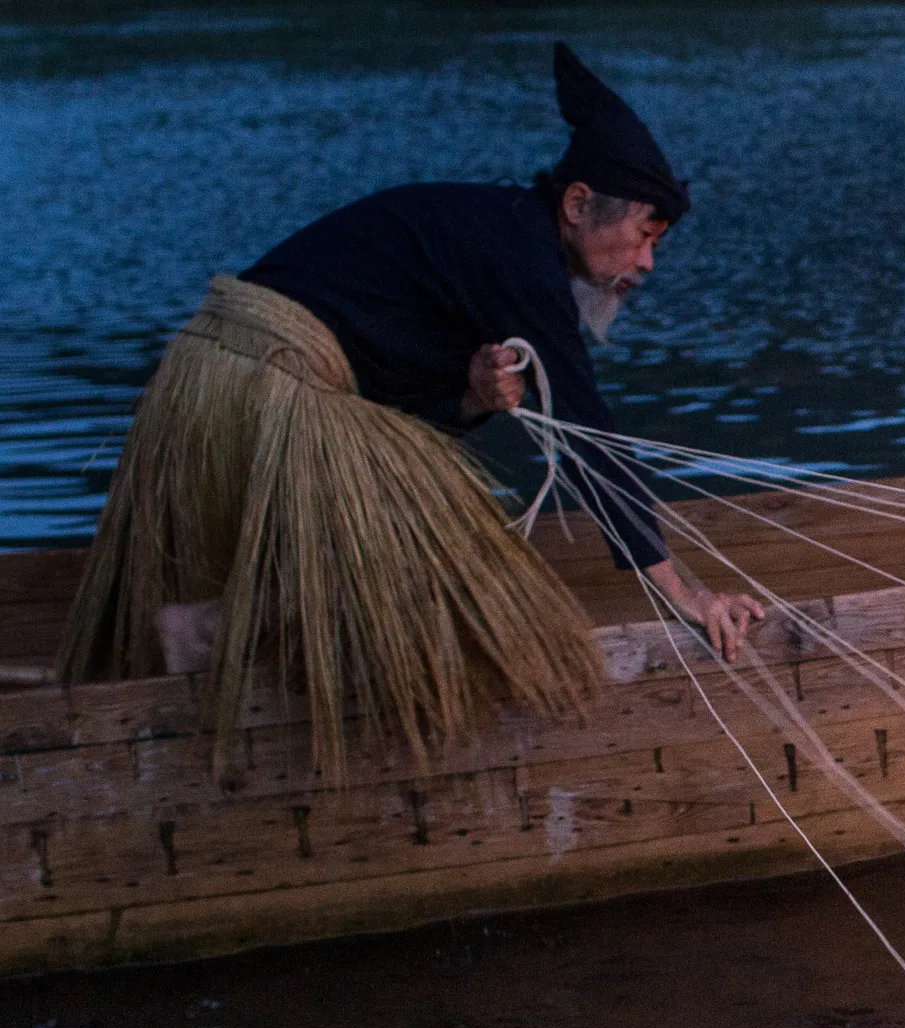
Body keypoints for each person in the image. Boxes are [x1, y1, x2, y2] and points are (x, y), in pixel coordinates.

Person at [55, 42, 763, 764]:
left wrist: (468, 397)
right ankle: (206, 631)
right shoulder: (520, 253)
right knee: (450, 558)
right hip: (260, 377)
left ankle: (220, 635)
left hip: (227, 375)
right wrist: (687, 594)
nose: (646, 264)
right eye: (645, 237)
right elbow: (584, 433)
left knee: (425, 541)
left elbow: (390, 404)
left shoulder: (498, 236)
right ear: (579, 204)